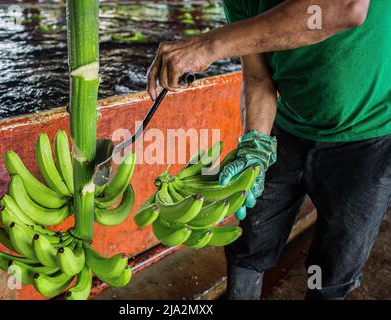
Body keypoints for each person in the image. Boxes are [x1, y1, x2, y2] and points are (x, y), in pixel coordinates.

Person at [147, 0, 391, 300]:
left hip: (368, 138)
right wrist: (255, 144)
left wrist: (210, 45)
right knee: (251, 240)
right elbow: (259, 76)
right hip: (285, 129)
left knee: (334, 266)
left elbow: (344, 8)